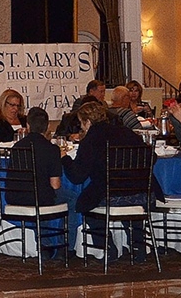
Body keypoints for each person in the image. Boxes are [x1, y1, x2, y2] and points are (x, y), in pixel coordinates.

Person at [62, 101, 164, 261]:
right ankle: (138, 245)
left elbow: (77, 177)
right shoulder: (126, 132)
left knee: (84, 203)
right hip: (143, 193)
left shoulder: (91, 139)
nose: (81, 127)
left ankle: (107, 246)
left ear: (87, 122)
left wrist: (65, 159)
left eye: (81, 123)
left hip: (112, 195)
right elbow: (152, 157)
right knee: (130, 204)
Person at [6, 107, 61, 207]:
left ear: (28, 125)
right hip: (40, 198)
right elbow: (55, 185)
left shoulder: (16, 147)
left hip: (14, 197)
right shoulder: (52, 149)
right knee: (73, 198)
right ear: (48, 126)